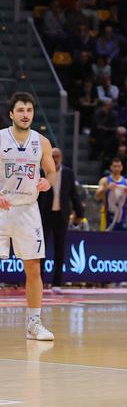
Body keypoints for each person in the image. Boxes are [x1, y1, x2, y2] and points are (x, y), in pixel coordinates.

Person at [1, 93, 57, 340]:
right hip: (2, 207)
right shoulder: (1, 138)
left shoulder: (42, 142)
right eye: (21, 110)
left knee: (34, 269)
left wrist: (47, 181)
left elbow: (51, 170)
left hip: (27, 210)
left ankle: (33, 324)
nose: (26, 114)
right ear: (12, 114)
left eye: (29, 110)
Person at [37, 147, 83, 290]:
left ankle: (57, 283)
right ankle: (39, 282)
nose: (55, 159)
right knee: (41, 250)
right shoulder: (42, 172)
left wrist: (80, 213)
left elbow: (73, 195)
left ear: (61, 157)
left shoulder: (68, 173)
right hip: (44, 215)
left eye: (57, 156)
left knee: (60, 249)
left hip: (61, 215)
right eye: (53, 156)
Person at [94, 158, 127, 231]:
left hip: (122, 215)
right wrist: (107, 188)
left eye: (118, 166)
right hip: (107, 214)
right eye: (115, 166)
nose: (116, 168)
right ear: (111, 167)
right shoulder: (105, 181)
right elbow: (97, 197)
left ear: (121, 168)